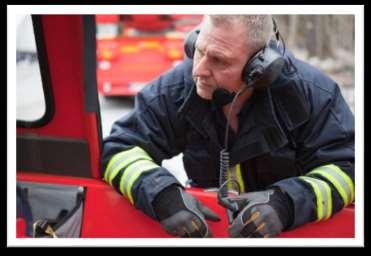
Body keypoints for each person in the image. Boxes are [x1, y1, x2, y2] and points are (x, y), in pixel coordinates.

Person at [101, 15, 354, 238]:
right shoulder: (178, 86)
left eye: (219, 61)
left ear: (259, 68)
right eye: (199, 50)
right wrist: (162, 195)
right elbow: (120, 149)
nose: (199, 70)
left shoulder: (312, 95)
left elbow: (349, 170)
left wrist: (287, 203)